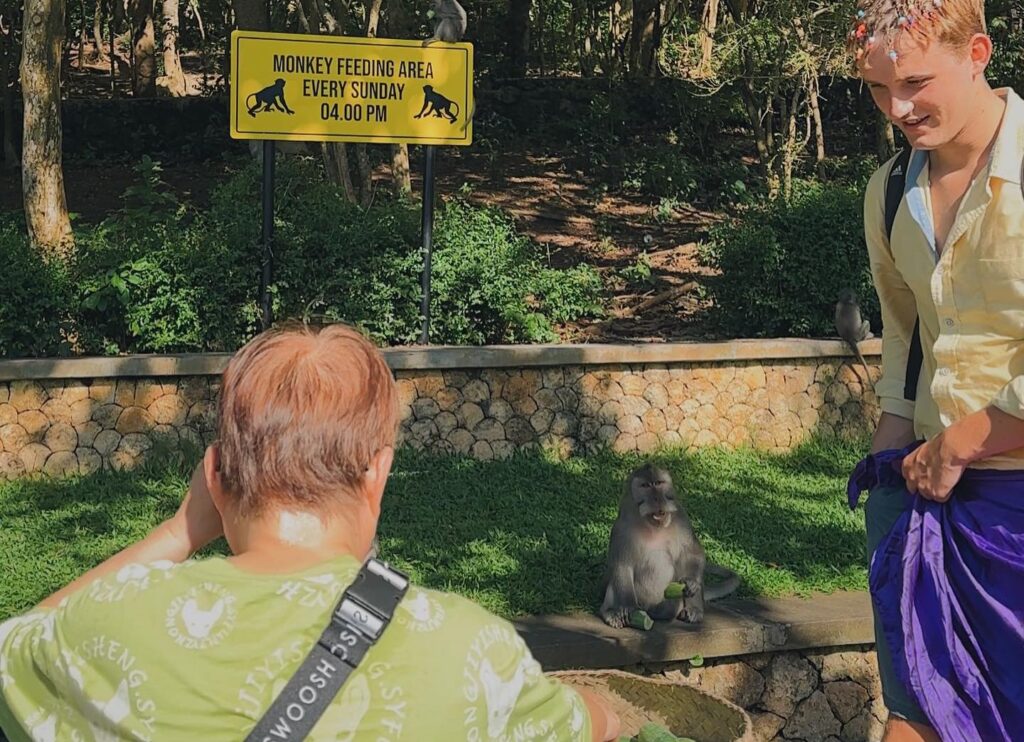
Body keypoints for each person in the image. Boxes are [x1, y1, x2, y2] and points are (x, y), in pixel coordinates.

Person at [0, 322, 621, 741]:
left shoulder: (108, 626)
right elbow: (598, 724)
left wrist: (179, 531)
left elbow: (13, 645)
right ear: (377, 474)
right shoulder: (475, 652)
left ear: (216, 475)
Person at [851, 1, 1024, 740]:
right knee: (918, 715)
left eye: (916, 82)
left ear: (978, 51)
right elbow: (905, 339)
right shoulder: (889, 189)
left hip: (1010, 509)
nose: (899, 108)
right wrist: (890, 479)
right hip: (928, 505)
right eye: (878, 90)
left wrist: (967, 441)